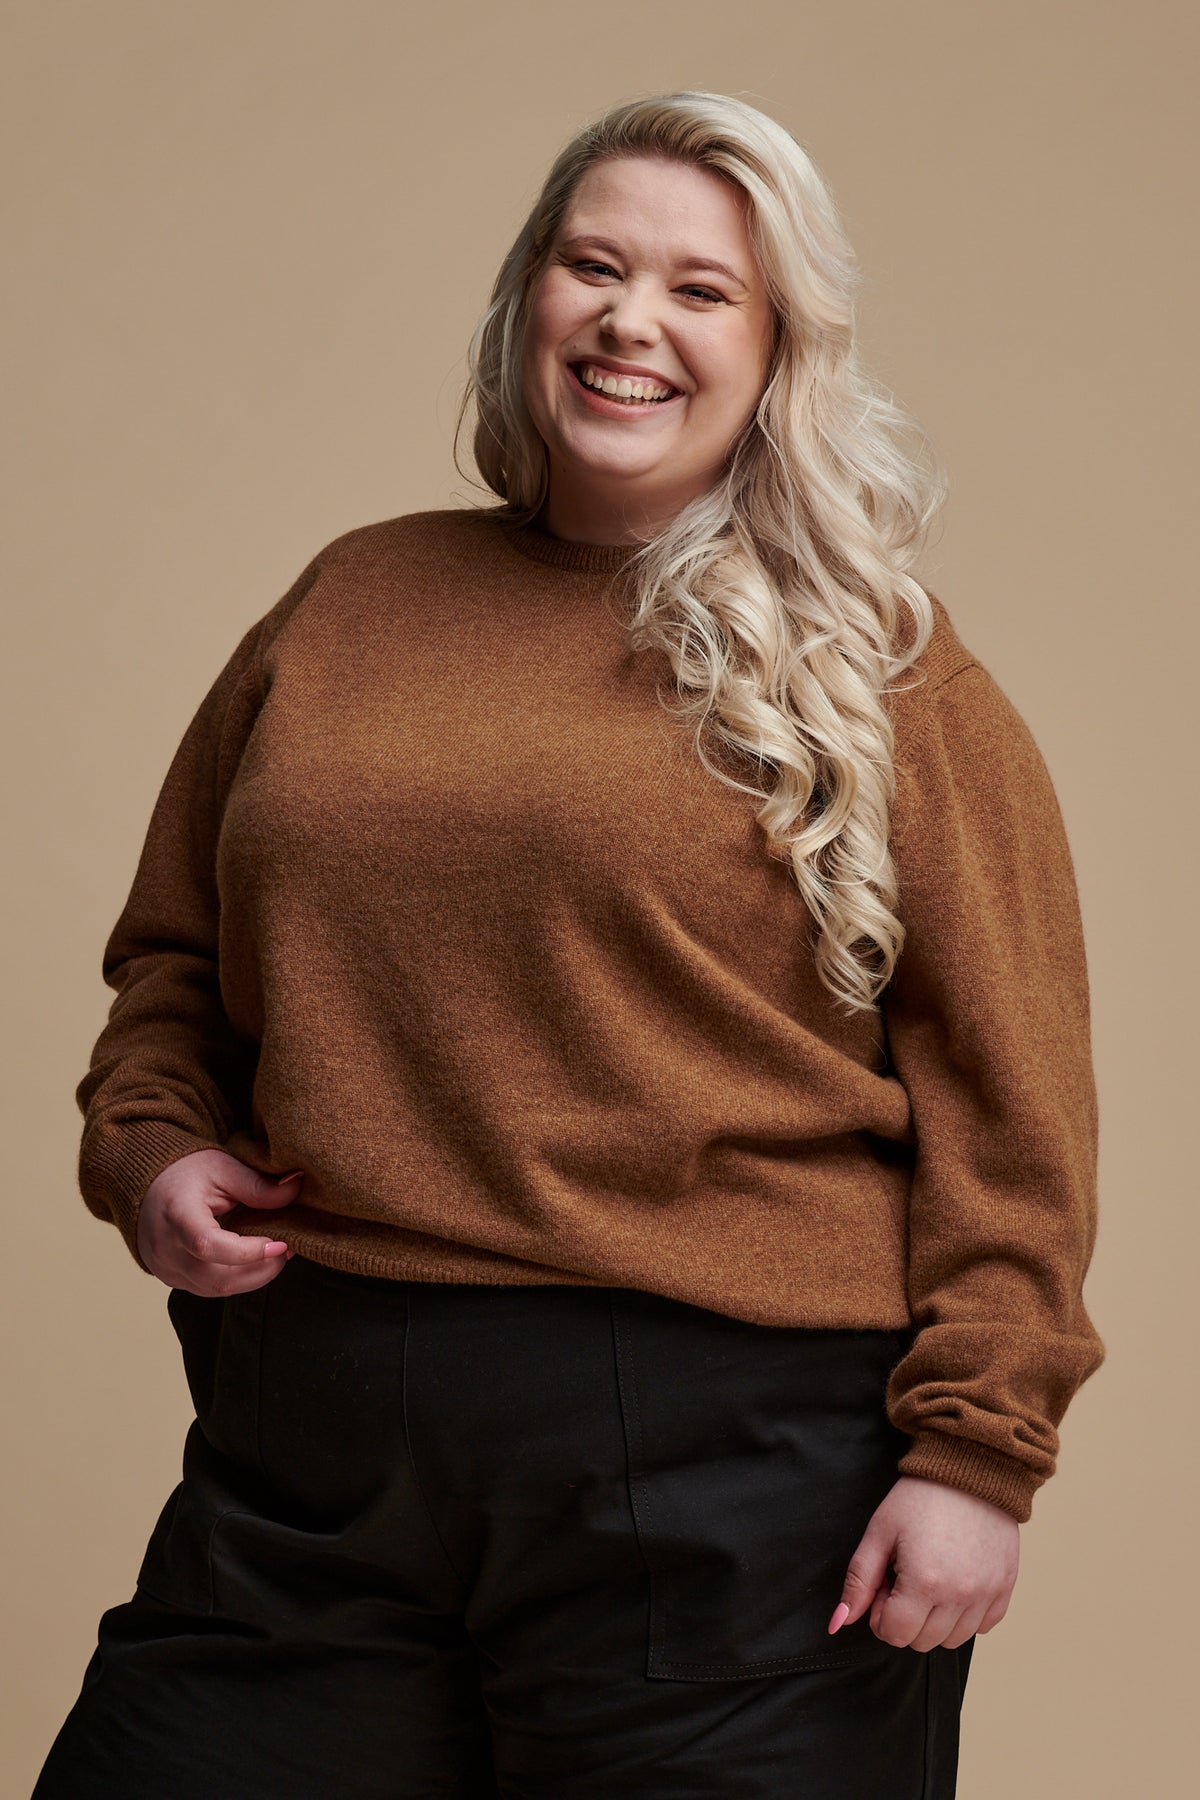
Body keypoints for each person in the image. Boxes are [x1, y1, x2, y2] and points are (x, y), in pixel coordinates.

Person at [33, 90, 1105, 1799]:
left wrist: (980, 1452)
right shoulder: (351, 599)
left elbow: (1012, 1104)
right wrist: (150, 1150)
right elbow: (174, 959)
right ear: (528, 294)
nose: (630, 320)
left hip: (735, 1467)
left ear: (779, 350)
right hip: (318, 1445)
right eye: (593, 265)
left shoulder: (886, 671)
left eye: (701, 289)